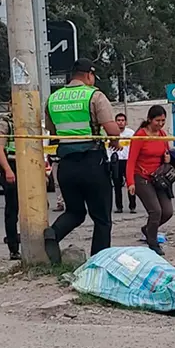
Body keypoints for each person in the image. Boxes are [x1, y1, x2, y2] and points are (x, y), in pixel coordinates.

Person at [43, 58, 121, 264]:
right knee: (102, 218)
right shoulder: (94, 95)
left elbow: (52, 131)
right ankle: (98, 262)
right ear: (88, 75)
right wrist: (115, 141)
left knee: (75, 212)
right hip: (92, 162)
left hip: (66, 165)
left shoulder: (53, 99)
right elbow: (112, 129)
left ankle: (53, 233)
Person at [127, 105, 174, 255]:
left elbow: (167, 154)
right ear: (149, 119)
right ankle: (153, 243)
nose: (160, 124)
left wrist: (168, 159)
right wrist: (130, 182)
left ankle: (148, 229)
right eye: (157, 120)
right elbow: (131, 161)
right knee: (156, 211)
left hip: (158, 178)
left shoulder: (162, 134)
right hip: (141, 177)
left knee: (167, 212)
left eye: (163, 120)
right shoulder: (140, 136)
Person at [0, 112, 21, 261]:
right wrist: (8, 170)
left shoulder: (28, 122)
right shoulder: (4, 124)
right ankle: (13, 248)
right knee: (12, 209)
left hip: (26, 166)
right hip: (11, 166)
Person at [111, 113, 137, 214]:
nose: (120, 122)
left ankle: (132, 206)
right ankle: (119, 207)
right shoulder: (112, 133)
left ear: (125, 122)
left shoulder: (131, 133)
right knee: (117, 185)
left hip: (128, 161)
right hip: (116, 161)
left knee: (130, 184)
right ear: (115, 122)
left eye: (122, 120)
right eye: (118, 120)